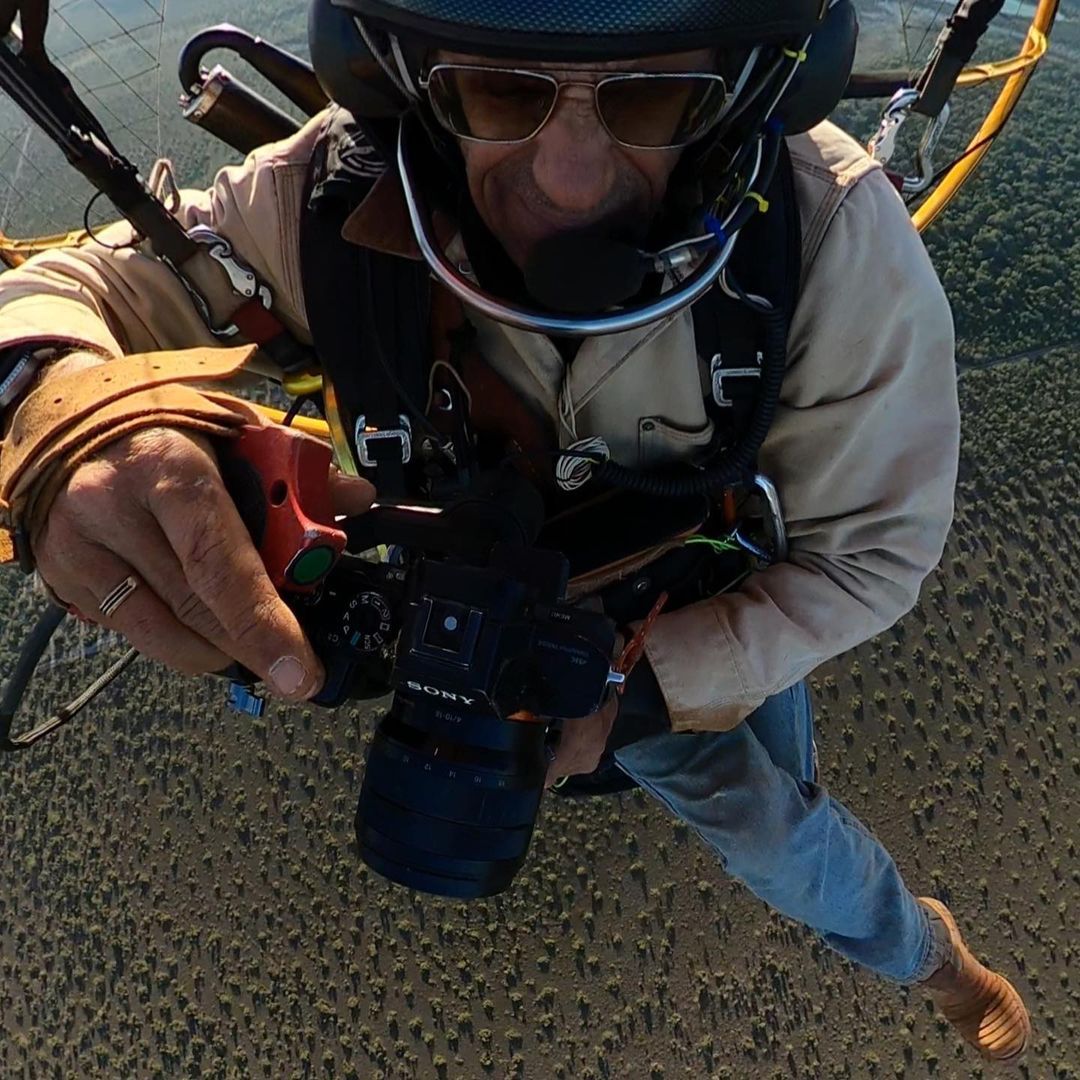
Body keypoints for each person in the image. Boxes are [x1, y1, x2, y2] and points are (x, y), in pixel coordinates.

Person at [0, 0, 1030, 1064]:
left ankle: (929, 959)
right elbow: (74, 290)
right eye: (498, 92)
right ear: (399, 76)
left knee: (773, 831)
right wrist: (65, 410)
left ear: (746, 89)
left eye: (651, 96)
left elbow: (871, 552)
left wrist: (644, 693)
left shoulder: (819, 231)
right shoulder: (332, 196)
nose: (571, 180)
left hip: (689, 609)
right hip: (472, 611)